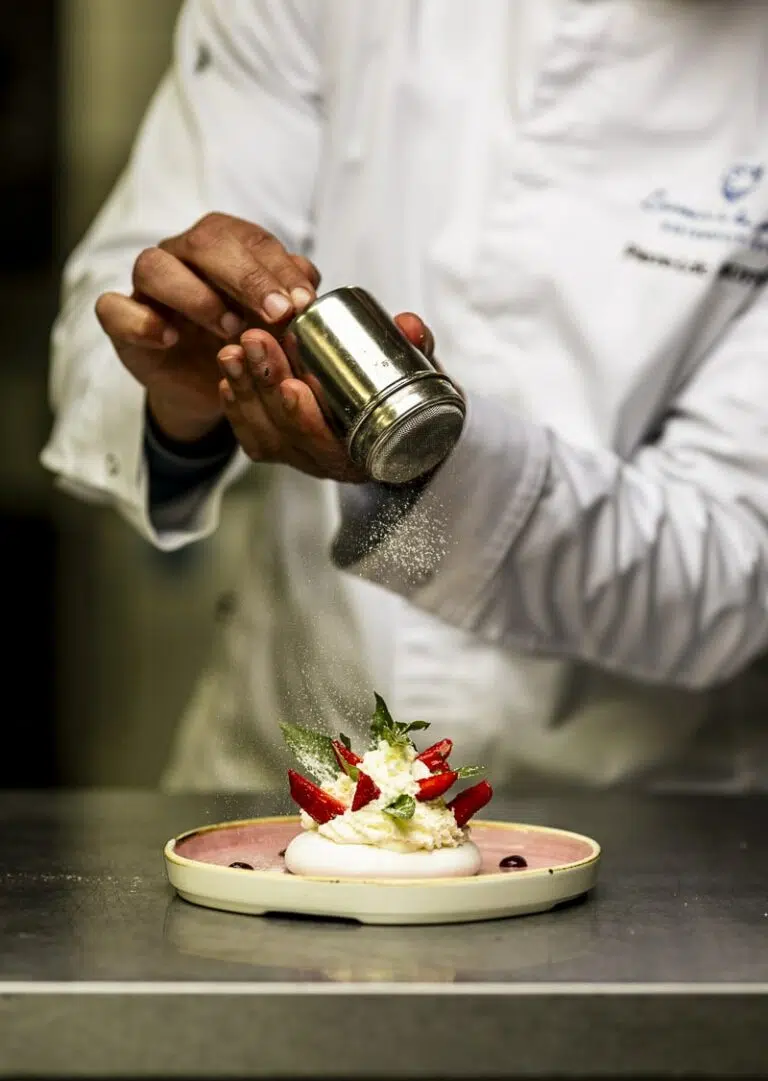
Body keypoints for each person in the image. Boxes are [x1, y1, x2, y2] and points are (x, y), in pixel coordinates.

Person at [43, 0, 768, 792]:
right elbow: (127, 294)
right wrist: (188, 393)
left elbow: (737, 565)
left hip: (638, 817)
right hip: (289, 766)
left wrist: (430, 473)